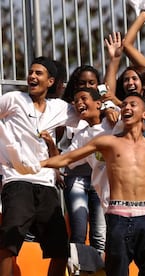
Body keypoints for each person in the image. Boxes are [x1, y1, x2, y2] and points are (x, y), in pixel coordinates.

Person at [40, 92, 145, 275]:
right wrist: (37, 164)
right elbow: (67, 159)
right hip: (118, 217)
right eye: (124, 104)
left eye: (133, 104)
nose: (127, 107)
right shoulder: (108, 142)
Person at [0, 56, 81, 275]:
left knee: (60, 249)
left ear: (51, 81)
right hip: (16, 180)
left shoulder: (60, 108)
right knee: (9, 243)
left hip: (46, 184)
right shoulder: (13, 98)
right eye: (31, 72)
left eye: (38, 73)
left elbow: (87, 114)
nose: (32, 77)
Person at [60, 65, 107, 254]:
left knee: (100, 235)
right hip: (75, 176)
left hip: (99, 179)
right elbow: (66, 153)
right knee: (78, 231)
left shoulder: (110, 115)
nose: (87, 86)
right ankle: (79, 268)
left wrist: (113, 60)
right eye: (81, 83)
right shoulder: (70, 110)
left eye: (91, 83)